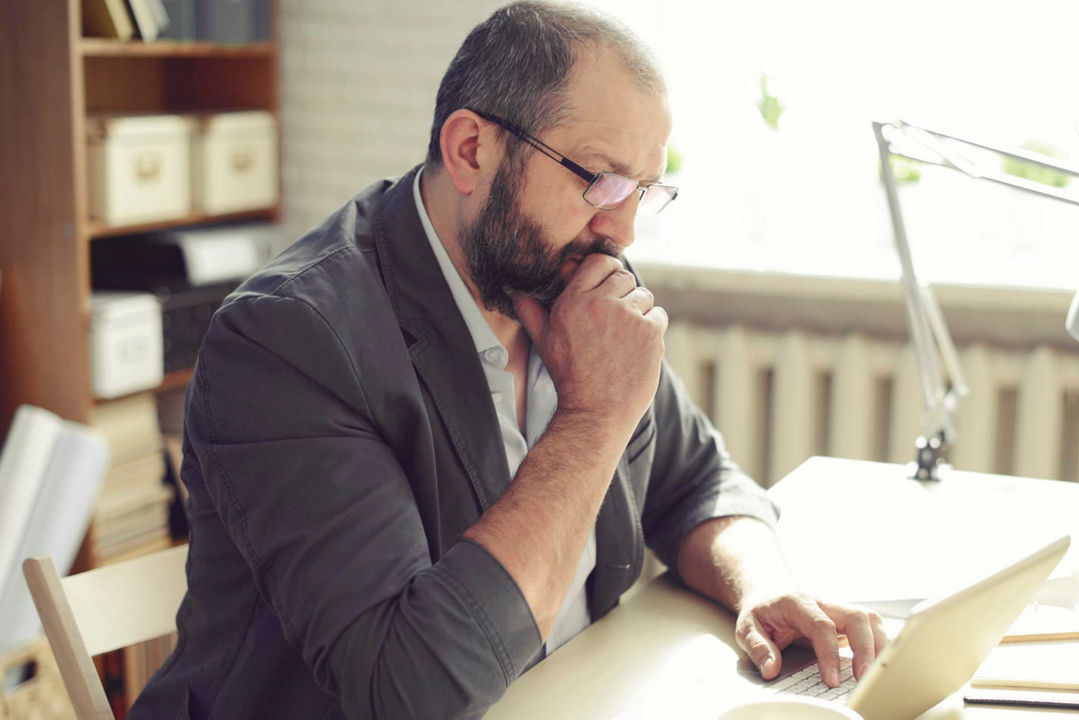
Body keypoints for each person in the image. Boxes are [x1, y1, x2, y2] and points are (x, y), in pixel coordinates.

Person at [129, 3, 888, 718]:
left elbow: (697, 480)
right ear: (471, 150)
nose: (622, 231)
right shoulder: (287, 343)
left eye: (642, 191)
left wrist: (763, 586)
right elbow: (412, 690)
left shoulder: (568, 273)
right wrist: (594, 418)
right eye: (600, 180)